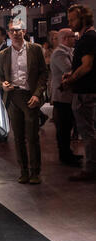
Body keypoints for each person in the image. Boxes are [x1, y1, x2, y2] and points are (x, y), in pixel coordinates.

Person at [0, 20, 48, 184]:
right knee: (18, 138)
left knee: (32, 137)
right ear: (9, 33)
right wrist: (3, 84)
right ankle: (24, 171)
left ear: (24, 31)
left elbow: (43, 74)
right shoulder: (4, 54)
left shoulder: (35, 49)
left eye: (18, 30)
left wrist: (37, 94)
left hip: (30, 97)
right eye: (12, 31)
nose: (15, 33)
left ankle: (35, 172)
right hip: (12, 97)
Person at [61, 4, 96, 181]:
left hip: (85, 93)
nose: (70, 22)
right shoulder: (87, 37)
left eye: (72, 19)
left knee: (88, 133)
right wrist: (72, 74)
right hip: (85, 91)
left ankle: (90, 170)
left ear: (82, 18)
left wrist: (71, 79)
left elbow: (87, 66)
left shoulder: (89, 37)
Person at [50, 28, 82, 167]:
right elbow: (69, 70)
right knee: (63, 128)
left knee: (67, 126)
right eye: (72, 36)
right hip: (62, 96)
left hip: (68, 96)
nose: (75, 38)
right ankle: (65, 156)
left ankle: (68, 153)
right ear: (64, 39)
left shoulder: (69, 51)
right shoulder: (59, 53)